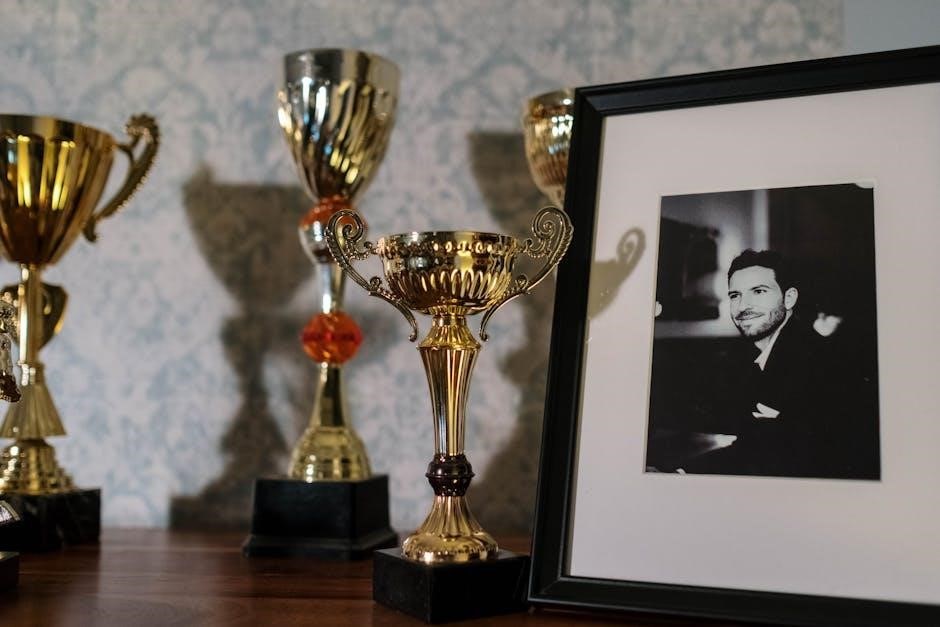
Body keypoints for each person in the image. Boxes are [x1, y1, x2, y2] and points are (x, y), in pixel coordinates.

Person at [682, 249, 880, 480]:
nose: (743, 306)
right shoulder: (752, 357)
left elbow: (820, 460)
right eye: (735, 295)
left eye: (758, 291)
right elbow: (751, 448)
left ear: (789, 298)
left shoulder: (822, 361)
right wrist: (681, 472)